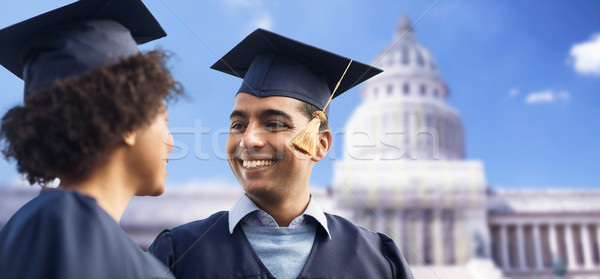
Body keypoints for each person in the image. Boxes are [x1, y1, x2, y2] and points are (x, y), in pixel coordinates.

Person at [149, 28, 413, 279]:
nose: (248, 139)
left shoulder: (378, 261)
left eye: (274, 124)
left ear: (320, 145)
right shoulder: (178, 254)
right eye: (238, 125)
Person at [0, 0, 182, 278]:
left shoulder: (50, 224)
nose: (171, 141)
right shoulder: (61, 223)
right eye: (164, 120)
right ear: (126, 120)